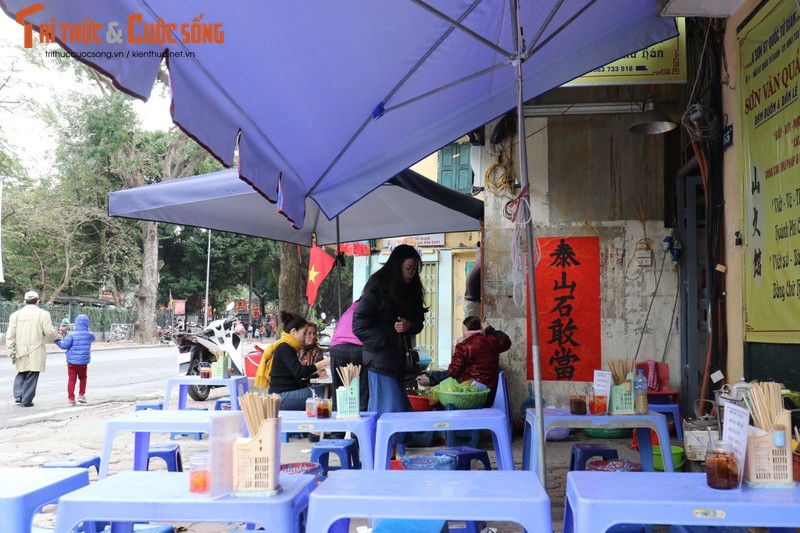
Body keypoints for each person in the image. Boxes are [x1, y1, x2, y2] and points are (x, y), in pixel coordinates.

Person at [353, 244, 427, 415]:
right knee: (389, 411)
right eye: (409, 268)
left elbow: (419, 321)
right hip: (379, 360)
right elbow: (359, 323)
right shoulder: (378, 285)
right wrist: (384, 341)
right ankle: (383, 442)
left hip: (399, 361)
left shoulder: (412, 287)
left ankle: (394, 442)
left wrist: (409, 325)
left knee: (397, 412)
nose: (412, 273)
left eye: (415, 269)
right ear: (397, 265)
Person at [418, 316, 511, 406]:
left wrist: (431, 379)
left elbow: (453, 373)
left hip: (470, 396)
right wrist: (488, 329)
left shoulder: (463, 347)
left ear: (466, 330)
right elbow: (506, 341)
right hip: (490, 394)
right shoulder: (493, 342)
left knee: (438, 400)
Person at [262, 311, 329, 410]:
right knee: (322, 390)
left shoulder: (289, 347)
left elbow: (296, 375)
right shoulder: (284, 347)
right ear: (294, 331)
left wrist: (316, 374)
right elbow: (299, 372)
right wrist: (323, 363)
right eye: (304, 333)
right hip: (281, 398)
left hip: (286, 394)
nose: (305, 336)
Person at [7, 291, 60, 407]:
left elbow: (10, 335)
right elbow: (49, 332)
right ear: (37, 302)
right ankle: (26, 401)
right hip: (36, 349)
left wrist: (10, 350)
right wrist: (58, 338)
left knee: (21, 371)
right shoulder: (43, 314)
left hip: (20, 348)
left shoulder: (15, 315)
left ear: (24, 301)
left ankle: (18, 395)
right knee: (33, 373)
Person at [330, 300, 369, 411]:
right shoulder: (370, 307)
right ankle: (360, 422)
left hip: (337, 348)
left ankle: (337, 425)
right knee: (361, 389)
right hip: (358, 348)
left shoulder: (349, 310)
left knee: (339, 389)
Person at [54, 314, 96, 406]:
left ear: (76, 323)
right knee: (83, 378)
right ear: (87, 324)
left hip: (71, 363)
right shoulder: (90, 335)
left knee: (72, 380)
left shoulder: (71, 335)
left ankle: (71, 399)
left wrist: (56, 341)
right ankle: (81, 395)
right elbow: (93, 338)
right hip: (83, 363)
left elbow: (64, 346)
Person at [464, 247, 482, 320]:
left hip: (470, 303)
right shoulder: (483, 266)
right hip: (474, 304)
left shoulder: (478, 263)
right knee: (476, 329)